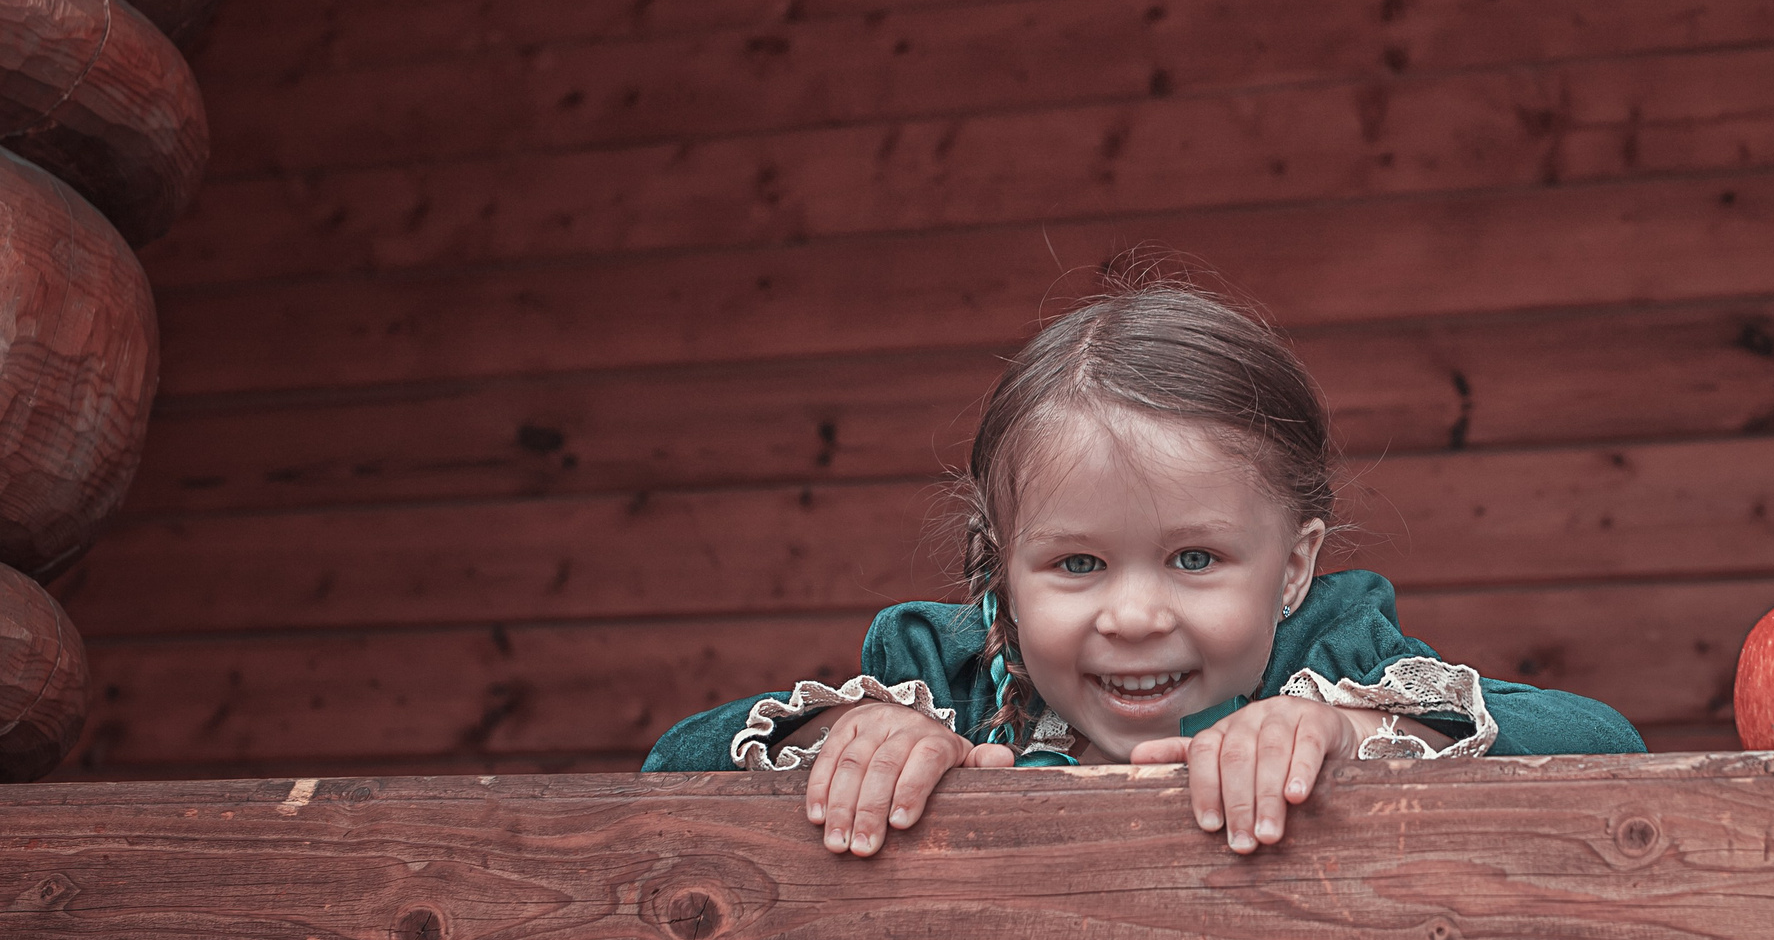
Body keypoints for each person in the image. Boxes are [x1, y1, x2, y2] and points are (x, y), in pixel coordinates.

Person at [644, 281, 1643, 854]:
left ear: (1292, 568)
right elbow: (668, 770)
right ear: (998, 571)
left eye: (1194, 558)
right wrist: (842, 732)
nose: (1131, 615)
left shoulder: (1339, 661)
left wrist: (1350, 731)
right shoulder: (938, 680)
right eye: (1076, 563)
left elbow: (1604, 745)